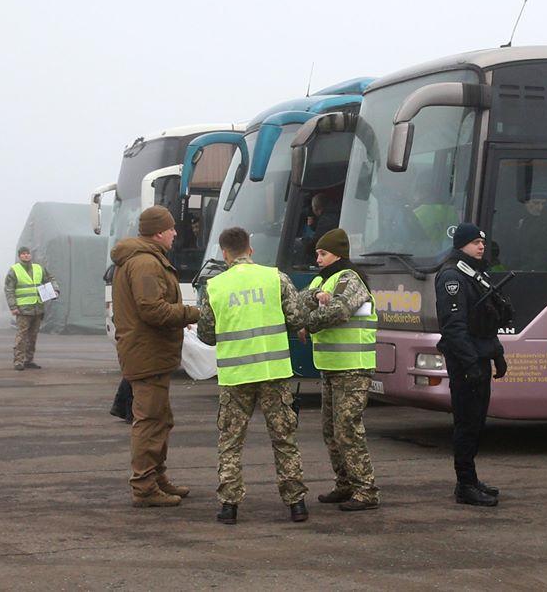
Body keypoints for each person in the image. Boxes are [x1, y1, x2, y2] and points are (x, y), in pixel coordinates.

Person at [197, 227, 309, 524]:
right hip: (273, 371)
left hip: (236, 376)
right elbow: (298, 318)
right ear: (251, 249)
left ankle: (229, 507)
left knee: (231, 442)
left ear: (224, 254)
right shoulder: (276, 277)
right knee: (284, 438)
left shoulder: (215, 286)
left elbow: (206, 334)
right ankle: (296, 504)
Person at [111, 206, 200, 508]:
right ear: (159, 232)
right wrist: (191, 313)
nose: (176, 233)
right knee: (150, 421)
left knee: (161, 419)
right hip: (147, 353)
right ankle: (145, 487)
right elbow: (152, 309)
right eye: (172, 229)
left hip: (150, 352)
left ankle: (156, 477)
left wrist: (177, 316)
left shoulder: (143, 259)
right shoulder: (146, 263)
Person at [300, 228, 380, 511]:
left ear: (338, 254)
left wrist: (308, 322)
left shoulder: (349, 279)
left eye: (323, 253)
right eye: (317, 254)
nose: (318, 259)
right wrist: (314, 300)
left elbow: (339, 310)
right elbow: (300, 303)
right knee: (330, 430)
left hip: (353, 367)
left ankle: (366, 490)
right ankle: (345, 483)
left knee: (347, 429)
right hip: (332, 367)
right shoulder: (322, 279)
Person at [435, 223, 511, 507]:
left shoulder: (475, 274)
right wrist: (470, 364)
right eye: (474, 242)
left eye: (482, 241)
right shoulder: (452, 276)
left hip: (478, 357)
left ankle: (471, 478)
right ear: (461, 245)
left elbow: (486, 320)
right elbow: (454, 327)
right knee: (467, 424)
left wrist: (496, 353)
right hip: (466, 362)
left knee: (477, 423)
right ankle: (464, 484)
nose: (481, 246)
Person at [4, 246, 58, 371]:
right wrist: (13, 306)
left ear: (30, 255)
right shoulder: (14, 270)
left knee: (33, 336)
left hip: (37, 308)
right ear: (19, 256)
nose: (26, 256)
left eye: (27, 253)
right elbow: (9, 289)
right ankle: (18, 361)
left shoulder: (39, 268)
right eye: (23, 254)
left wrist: (55, 289)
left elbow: (50, 279)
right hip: (23, 309)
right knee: (22, 336)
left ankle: (29, 360)